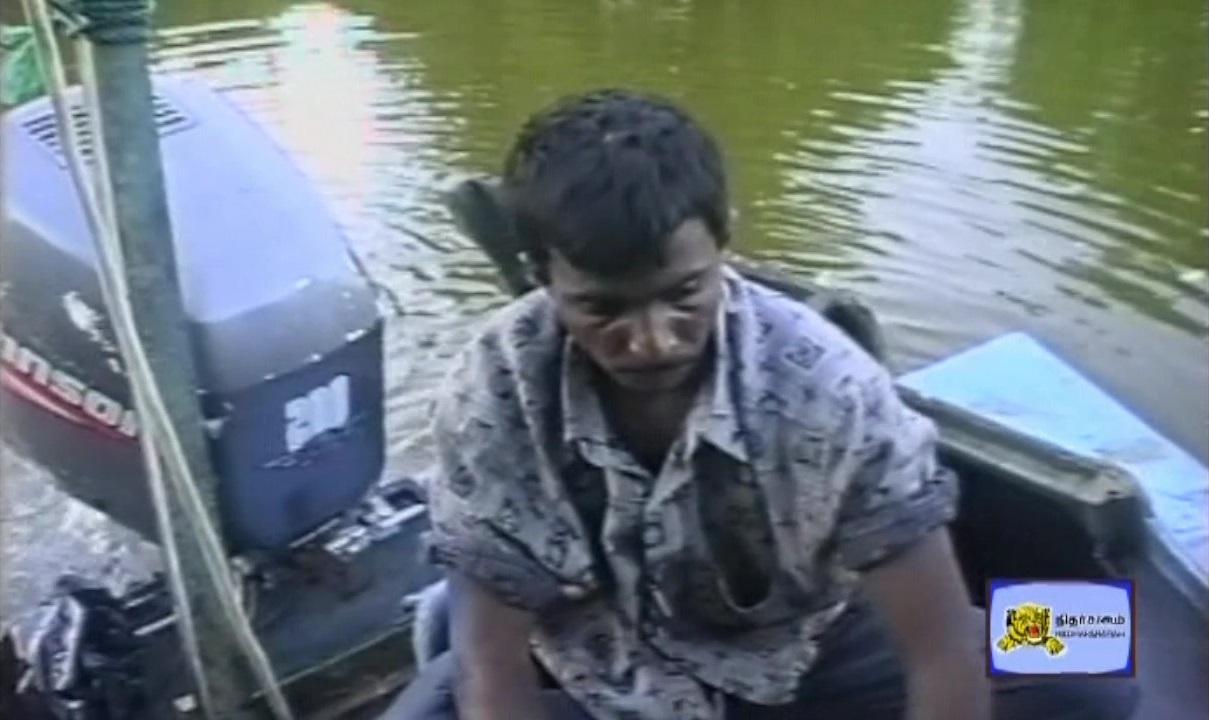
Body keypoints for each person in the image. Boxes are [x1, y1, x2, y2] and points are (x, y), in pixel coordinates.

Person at [382, 89, 1138, 720]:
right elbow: (491, 658)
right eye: (601, 310)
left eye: (683, 294)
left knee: (1100, 644)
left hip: (819, 637)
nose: (651, 341)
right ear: (540, 275)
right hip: (601, 661)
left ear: (723, 243)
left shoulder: (826, 384)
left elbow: (938, 641)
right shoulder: (496, 388)